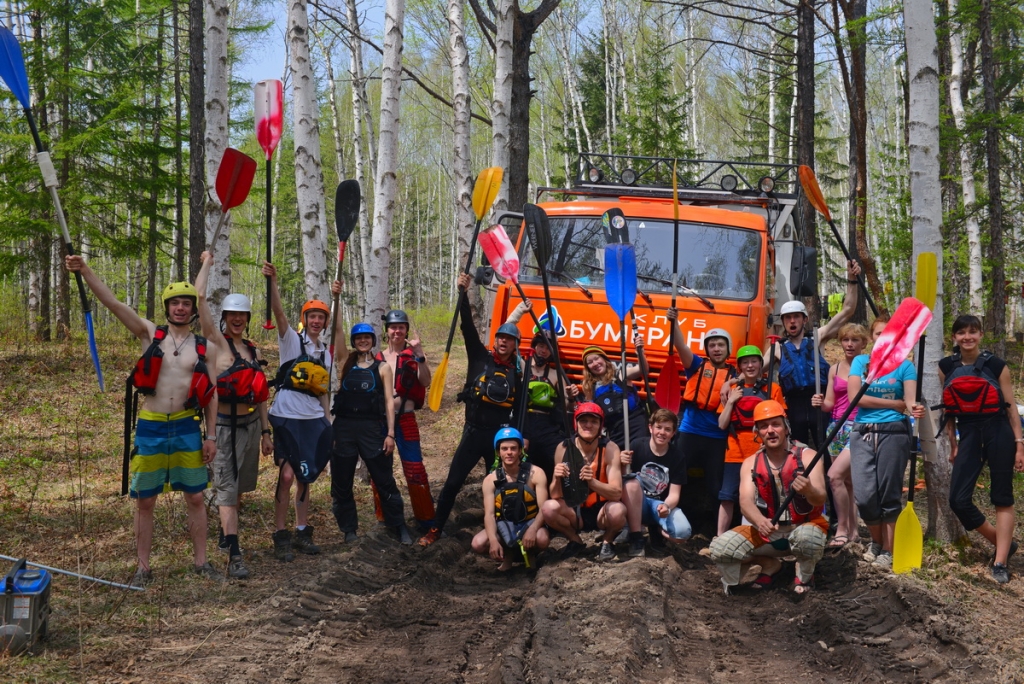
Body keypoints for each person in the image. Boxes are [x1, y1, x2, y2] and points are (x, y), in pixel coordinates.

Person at [65, 255, 220, 585]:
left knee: (195, 496)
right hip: (151, 425)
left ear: (193, 308)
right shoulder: (150, 333)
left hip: (187, 426)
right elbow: (112, 302)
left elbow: (212, 395)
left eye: (186, 303)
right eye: (175, 303)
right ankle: (142, 567)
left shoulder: (205, 347)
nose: (180, 308)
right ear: (167, 307)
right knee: (145, 500)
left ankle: (201, 563)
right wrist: (86, 270)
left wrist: (212, 436)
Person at [418, 272, 525, 547]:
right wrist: (462, 293)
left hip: (499, 440)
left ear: (515, 345)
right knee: (452, 483)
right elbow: (467, 326)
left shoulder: (518, 375)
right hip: (473, 433)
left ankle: (505, 534)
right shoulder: (480, 357)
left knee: (503, 487)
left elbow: (522, 409)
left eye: (508, 339)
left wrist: (519, 438)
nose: (503, 341)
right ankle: (435, 530)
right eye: (500, 338)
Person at [195, 252, 273, 579]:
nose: (237, 319)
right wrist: (207, 264)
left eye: (242, 315)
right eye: (232, 314)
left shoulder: (252, 350)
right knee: (227, 490)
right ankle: (235, 552)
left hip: (252, 426)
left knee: (238, 488)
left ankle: (226, 537)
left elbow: (261, 393)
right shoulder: (217, 343)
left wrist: (267, 432)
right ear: (225, 316)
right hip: (224, 427)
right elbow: (199, 298)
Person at [709, 400, 828, 594]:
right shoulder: (750, 463)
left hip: (803, 527)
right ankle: (770, 565)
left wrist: (808, 490)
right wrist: (759, 521)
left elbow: (820, 498)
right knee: (722, 548)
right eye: (764, 427)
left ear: (786, 428)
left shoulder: (807, 456)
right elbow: (745, 501)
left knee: (809, 539)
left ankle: (804, 575)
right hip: (768, 533)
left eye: (776, 424)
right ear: (757, 433)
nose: (770, 431)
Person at [939, 315, 1024, 583]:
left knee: (1002, 496)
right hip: (970, 432)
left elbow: (1012, 411)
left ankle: (1000, 562)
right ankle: (1002, 542)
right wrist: (953, 445)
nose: (967, 337)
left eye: (972, 332)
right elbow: (949, 412)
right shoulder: (945, 366)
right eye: (961, 333)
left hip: (999, 430)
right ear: (954, 337)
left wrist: (1019, 445)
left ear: (980, 335)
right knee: (958, 499)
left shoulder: (997, 365)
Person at [262, 261, 333, 561]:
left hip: (313, 420)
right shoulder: (292, 341)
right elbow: (279, 314)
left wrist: (329, 424)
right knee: (288, 475)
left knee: (306, 476)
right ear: (305, 319)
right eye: (312, 316)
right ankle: (281, 534)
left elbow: (325, 393)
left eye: (321, 317)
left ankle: (302, 530)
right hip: (287, 417)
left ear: (325, 322)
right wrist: (273, 282)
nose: (316, 321)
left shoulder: (325, 353)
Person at [329, 303, 413, 545]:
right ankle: (349, 530)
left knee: (384, 480)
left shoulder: (383, 367)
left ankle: (399, 525)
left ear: (372, 340)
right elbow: (337, 331)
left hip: (372, 428)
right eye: (359, 338)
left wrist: (390, 433)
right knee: (342, 482)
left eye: (367, 338)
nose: (363, 341)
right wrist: (337, 298)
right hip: (344, 427)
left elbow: (389, 401)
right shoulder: (345, 360)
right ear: (355, 341)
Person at [847, 317, 924, 571]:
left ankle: (888, 550)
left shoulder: (905, 366)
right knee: (865, 496)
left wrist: (914, 408)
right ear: (872, 338)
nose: (883, 338)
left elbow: (910, 401)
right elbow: (855, 398)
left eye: (889, 335)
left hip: (894, 432)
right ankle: (877, 542)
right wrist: (895, 403)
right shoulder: (861, 362)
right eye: (879, 334)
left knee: (889, 494)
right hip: (863, 431)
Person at [768, 260, 861, 449]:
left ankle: (829, 477)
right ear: (783, 322)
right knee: (798, 450)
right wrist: (731, 382)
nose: (792, 321)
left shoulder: (817, 337)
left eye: (796, 317)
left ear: (805, 319)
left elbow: (847, 310)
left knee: (825, 447)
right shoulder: (777, 348)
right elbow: (751, 370)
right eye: (788, 318)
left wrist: (852, 281)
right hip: (794, 406)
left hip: (820, 401)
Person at [667, 310, 735, 525]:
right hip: (690, 432)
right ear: (707, 349)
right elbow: (680, 346)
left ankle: (717, 529)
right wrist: (674, 322)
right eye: (712, 345)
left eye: (721, 345)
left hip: (717, 436)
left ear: (728, 349)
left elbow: (755, 370)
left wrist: (735, 380)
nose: (716, 349)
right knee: (677, 476)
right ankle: (666, 518)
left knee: (715, 485)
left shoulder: (735, 375)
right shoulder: (696, 366)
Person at [541, 402, 628, 561]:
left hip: (602, 511)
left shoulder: (610, 449)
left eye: (594, 422)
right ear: (576, 424)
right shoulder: (563, 448)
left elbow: (616, 493)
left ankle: (607, 541)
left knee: (618, 510)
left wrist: (592, 482)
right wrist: (557, 478)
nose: (588, 425)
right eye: (583, 421)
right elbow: (554, 494)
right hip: (575, 510)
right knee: (548, 508)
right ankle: (574, 540)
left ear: (601, 426)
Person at [374, 308, 435, 532]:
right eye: (393, 327)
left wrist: (419, 355)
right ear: (387, 331)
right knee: (380, 470)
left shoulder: (415, 354)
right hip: (381, 421)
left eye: (401, 327)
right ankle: (384, 518)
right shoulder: (377, 358)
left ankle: (427, 520)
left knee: (414, 469)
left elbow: (426, 381)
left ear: (406, 330)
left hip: (406, 419)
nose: (397, 331)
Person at [717, 345, 787, 536]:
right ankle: (720, 537)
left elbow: (782, 421)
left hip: (762, 452)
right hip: (735, 451)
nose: (750, 366)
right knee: (727, 496)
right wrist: (731, 401)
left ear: (760, 364)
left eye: (754, 361)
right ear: (739, 366)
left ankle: (761, 536)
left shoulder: (773, 389)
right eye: (745, 362)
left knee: (764, 495)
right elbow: (722, 424)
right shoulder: (731, 390)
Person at [811, 323, 869, 549]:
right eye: (846, 340)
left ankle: (843, 528)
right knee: (844, 481)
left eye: (855, 340)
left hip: (859, 426)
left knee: (838, 478)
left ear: (863, 343)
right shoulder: (834, 369)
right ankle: (853, 530)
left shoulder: (869, 368)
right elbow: (830, 403)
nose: (850, 344)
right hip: (836, 427)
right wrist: (819, 402)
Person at [471, 427, 550, 570]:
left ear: (520, 450)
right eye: (504, 449)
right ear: (498, 452)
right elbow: (489, 515)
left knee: (542, 539)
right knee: (478, 543)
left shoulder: (536, 473)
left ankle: (531, 553)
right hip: (504, 526)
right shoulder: (490, 480)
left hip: (529, 523)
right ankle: (509, 555)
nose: (509, 452)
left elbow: (543, 509)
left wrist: (532, 530)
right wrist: (494, 540)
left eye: (513, 448)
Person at [619, 409, 692, 551]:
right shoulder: (636, 446)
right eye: (659, 427)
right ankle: (636, 536)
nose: (662, 432)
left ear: (673, 433)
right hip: (635, 501)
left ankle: (657, 530)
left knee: (683, 534)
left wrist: (667, 506)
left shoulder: (678, 456)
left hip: (659, 505)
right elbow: (623, 480)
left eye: (667, 429)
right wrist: (621, 464)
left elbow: (674, 494)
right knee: (632, 485)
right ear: (650, 427)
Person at [570, 341, 651, 451]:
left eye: (597, 358)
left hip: (636, 425)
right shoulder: (590, 388)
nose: (595, 363)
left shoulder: (620, 374)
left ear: (604, 359)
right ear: (587, 367)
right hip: (614, 432)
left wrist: (640, 352)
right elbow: (587, 412)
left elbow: (643, 370)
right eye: (590, 362)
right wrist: (571, 398)